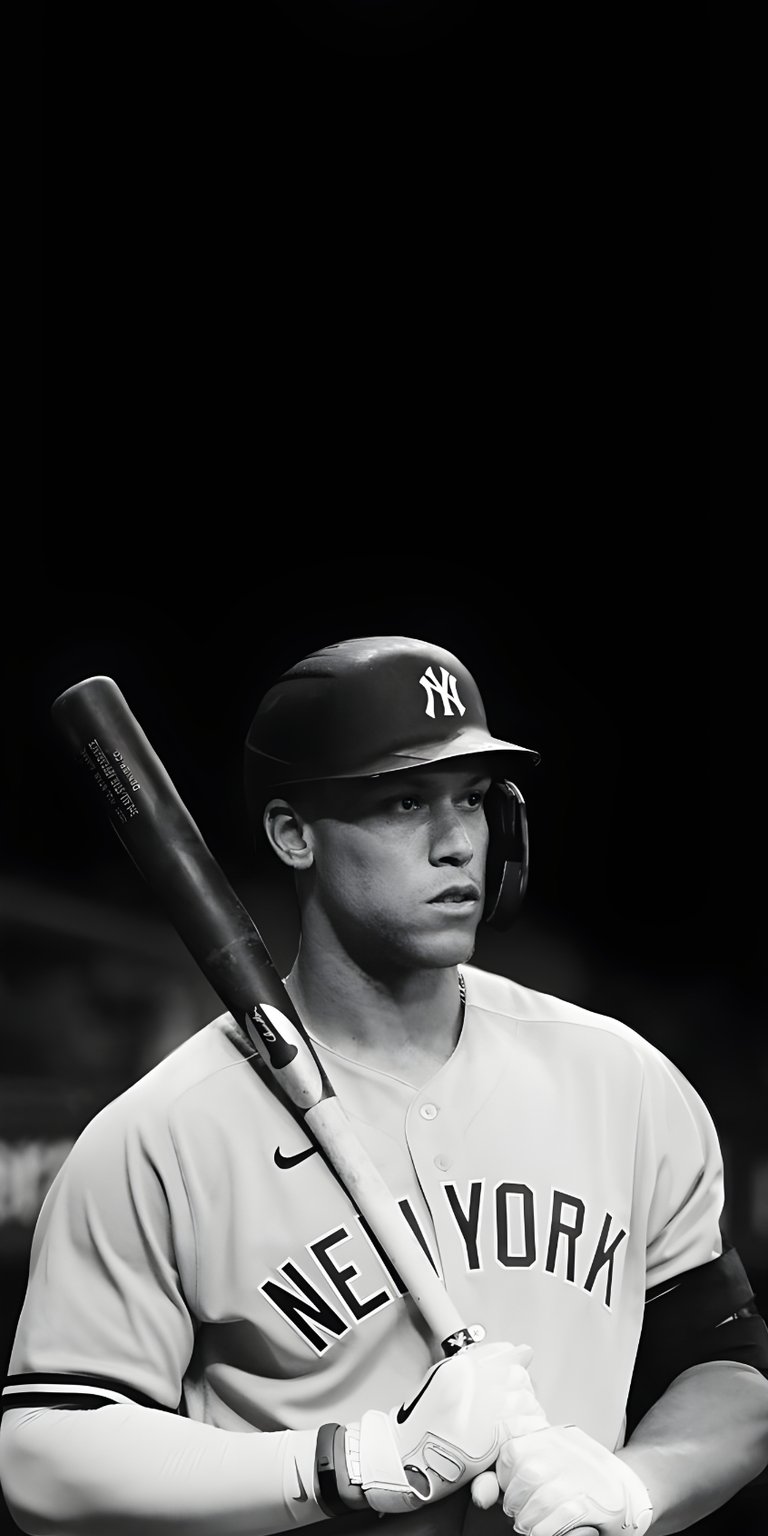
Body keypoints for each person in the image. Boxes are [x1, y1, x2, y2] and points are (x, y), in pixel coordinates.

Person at [1, 634, 767, 1536]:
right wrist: (351, 1463)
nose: (457, 846)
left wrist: (635, 1489)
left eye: (475, 801)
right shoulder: (164, 1129)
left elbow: (729, 1366)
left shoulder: (623, 1081)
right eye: (405, 801)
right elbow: (44, 1455)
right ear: (294, 835)